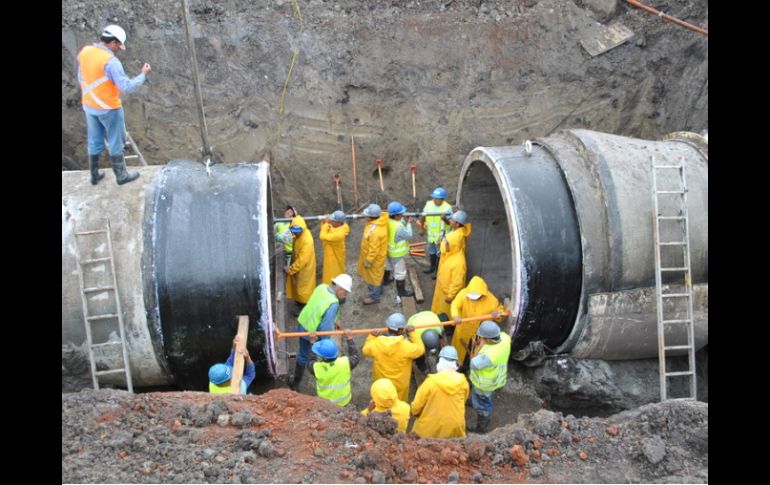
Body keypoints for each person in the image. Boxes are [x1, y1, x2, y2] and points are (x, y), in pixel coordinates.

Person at [77, 25, 151, 186]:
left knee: (94, 140)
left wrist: (91, 97)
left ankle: (94, 175)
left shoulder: (85, 52)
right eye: (118, 45)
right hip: (109, 108)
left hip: (89, 106)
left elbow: (81, 76)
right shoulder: (111, 62)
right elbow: (126, 87)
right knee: (116, 141)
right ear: (112, 42)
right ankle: (121, 175)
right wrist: (143, 75)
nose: (119, 49)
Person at [289, 274, 353, 391]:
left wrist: (336, 318)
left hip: (303, 325)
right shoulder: (333, 303)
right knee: (316, 355)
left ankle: (295, 384)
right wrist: (326, 343)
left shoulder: (322, 287)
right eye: (346, 292)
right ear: (341, 289)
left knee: (302, 354)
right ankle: (324, 375)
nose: (345, 295)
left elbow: (319, 307)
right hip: (313, 333)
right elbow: (325, 328)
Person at [362, 313, 425, 402]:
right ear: (400, 330)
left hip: (381, 383)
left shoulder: (376, 344)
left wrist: (371, 336)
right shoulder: (406, 347)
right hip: (400, 385)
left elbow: (365, 351)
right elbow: (421, 349)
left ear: (388, 328)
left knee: (381, 404)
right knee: (399, 406)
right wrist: (412, 333)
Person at [411, 346, 470, 438]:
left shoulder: (430, 383)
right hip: (455, 427)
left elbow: (416, 408)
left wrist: (416, 413)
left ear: (440, 361)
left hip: (429, 428)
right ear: (456, 363)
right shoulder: (463, 382)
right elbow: (464, 399)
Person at [450, 276, 506, 367]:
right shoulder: (463, 294)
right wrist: (455, 316)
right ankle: (456, 365)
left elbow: (501, 313)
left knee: (473, 353)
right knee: (458, 350)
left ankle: (468, 367)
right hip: (463, 329)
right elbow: (455, 305)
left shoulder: (492, 300)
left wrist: (498, 313)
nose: (473, 299)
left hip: (478, 335)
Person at [468, 321, 511, 433]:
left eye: (482, 337)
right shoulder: (505, 338)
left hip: (484, 385)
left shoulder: (489, 354)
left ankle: (481, 428)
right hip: (497, 377)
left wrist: (478, 346)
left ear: (487, 339)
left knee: (483, 404)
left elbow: (473, 364)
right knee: (478, 396)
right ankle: (473, 400)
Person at [431, 210, 472, 317]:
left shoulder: (458, 262)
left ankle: (447, 327)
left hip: (447, 293)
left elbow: (457, 282)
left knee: (445, 314)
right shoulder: (457, 238)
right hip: (443, 287)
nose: (444, 244)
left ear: (458, 224)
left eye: (446, 243)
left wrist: (450, 295)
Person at [307, 332, 360, 406]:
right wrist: (349, 338)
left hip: (326, 404)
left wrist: (312, 342)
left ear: (323, 357)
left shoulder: (317, 368)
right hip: (344, 401)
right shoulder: (345, 363)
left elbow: (310, 361)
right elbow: (355, 356)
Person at [285, 214, 317, 316]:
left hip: (304, 269)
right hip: (300, 267)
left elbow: (302, 260)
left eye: (296, 231)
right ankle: (300, 301)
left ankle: (304, 307)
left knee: (304, 288)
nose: (295, 233)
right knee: (299, 287)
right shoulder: (301, 234)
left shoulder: (306, 241)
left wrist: (291, 269)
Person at [357, 204, 389, 305]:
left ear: (371, 217)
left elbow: (374, 249)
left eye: (366, 215)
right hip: (378, 257)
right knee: (378, 275)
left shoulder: (375, 231)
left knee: (373, 278)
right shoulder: (380, 222)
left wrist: (368, 260)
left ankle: (374, 297)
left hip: (374, 259)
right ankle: (379, 289)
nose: (365, 217)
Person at [419, 187, 453, 278]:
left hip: (441, 237)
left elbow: (451, 224)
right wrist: (422, 228)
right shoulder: (429, 204)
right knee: (431, 252)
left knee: (440, 253)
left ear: (442, 199)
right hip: (431, 235)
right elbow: (423, 217)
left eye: (437, 199)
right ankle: (432, 267)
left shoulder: (448, 208)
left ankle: (438, 271)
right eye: (434, 198)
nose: (434, 200)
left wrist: (445, 219)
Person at [384, 201, 415, 297]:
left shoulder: (387, 220)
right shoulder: (398, 227)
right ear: (396, 215)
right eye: (401, 213)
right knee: (400, 273)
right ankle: (401, 291)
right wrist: (409, 223)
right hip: (397, 254)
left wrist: (403, 221)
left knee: (387, 266)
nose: (402, 214)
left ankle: (386, 280)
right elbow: (409, 236)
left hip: (388, 250)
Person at [319, 210, 350, 285]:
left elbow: (322, 236)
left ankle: (336, 292)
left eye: (333, 221)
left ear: (339, 223)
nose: (331, 221)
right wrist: (325, 223)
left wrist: (326, 223)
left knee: (334, 277)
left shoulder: (339, 234)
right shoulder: (338, 227)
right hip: (331, 256)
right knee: (331, 275)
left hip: (334, 259)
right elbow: (326, 231)